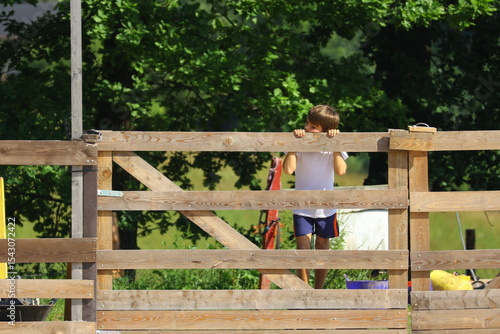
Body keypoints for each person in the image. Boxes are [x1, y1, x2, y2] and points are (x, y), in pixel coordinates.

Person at [282, 104, 348, 289]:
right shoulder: (300, 144)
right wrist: (294, 146)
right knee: (302, 248)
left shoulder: (332, 147)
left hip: (326, 207)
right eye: (307, 124)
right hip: (302, 206)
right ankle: (304, 291)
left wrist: (335, 145)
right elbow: (288, 169)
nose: (306, 129)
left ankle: (318, 290)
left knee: (322, 247)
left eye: (312, 127)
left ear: (326, 131)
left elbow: (341, 171)